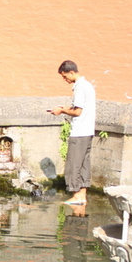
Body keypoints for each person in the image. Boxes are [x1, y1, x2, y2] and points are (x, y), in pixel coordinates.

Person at [48, 60, 96, 205]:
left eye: (64, 76)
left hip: (79, 132)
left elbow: (78, 111)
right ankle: (82, 195)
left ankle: (76, 195)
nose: (65, 80)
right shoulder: (88, 85)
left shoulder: (80, 87)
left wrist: (61, 110)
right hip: (88, 131)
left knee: (74, 164)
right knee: (84, 164)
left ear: (71, 72)